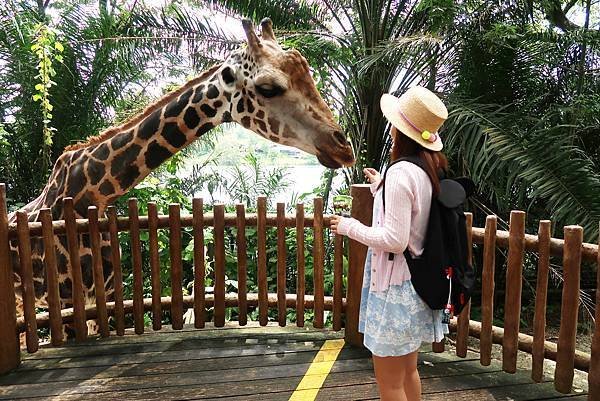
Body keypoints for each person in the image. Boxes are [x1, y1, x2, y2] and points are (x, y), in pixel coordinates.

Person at [330, 86, 450, 401]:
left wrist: (349, 226)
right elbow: (413, 212)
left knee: (389, 383)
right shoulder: (427, 168)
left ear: (401, 130)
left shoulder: (400, 174)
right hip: (415, 288)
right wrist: (380, 186)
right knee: (408, 371)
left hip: (395, 290)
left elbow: (394, 241)